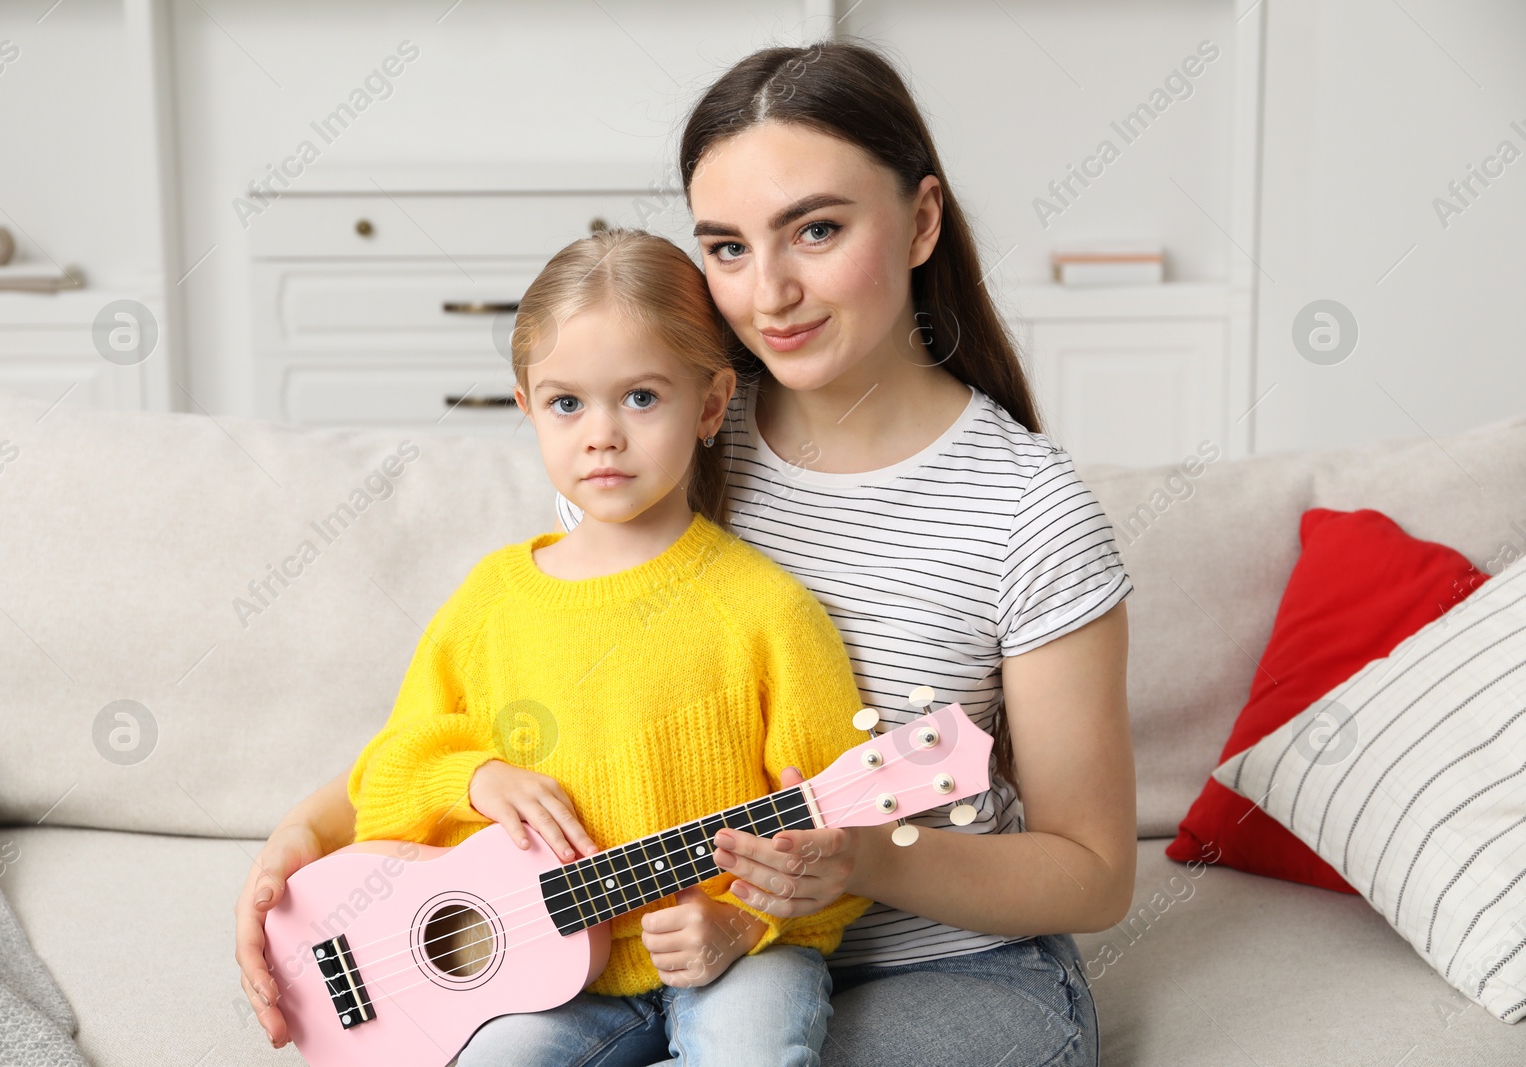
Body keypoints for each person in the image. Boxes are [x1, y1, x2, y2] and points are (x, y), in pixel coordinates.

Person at [238, 39, 1135, 1067]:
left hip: (949, 969)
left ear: (921, 220)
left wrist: (850, 861)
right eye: (727, 247)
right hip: (642, 959)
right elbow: (501, 702)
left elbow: (1093, 870)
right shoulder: (667, 432)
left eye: (816, 230)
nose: (770, 293)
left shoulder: (1027, 506)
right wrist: (303, 844)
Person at [338, 228, 872, 1066]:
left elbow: (839, 839)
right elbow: (385, 777)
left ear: (709, 403)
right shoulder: (490, 601)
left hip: (740, 957)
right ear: (526, 406)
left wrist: (745, 919)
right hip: (546, 980)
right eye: (566, 403)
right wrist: (473, 776)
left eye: (641, 397)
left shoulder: (769, 611)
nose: (602, 435)